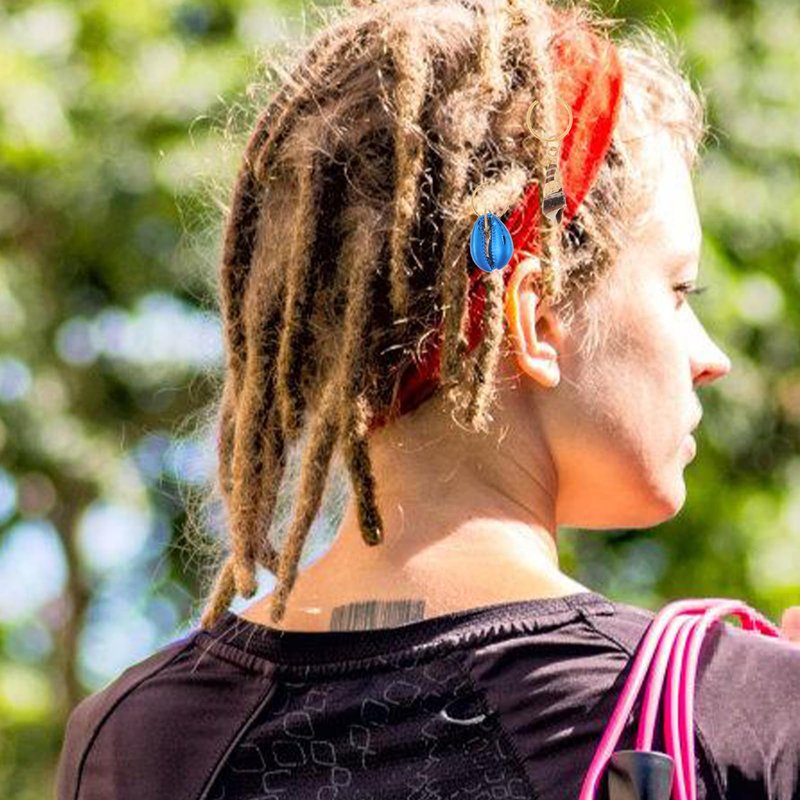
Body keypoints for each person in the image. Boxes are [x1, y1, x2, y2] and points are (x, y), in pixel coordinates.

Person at [55, 0, 800, 797]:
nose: (710, 358)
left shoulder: (137, 739)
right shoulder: (724, 718)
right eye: (679, 291)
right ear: (535, 321)